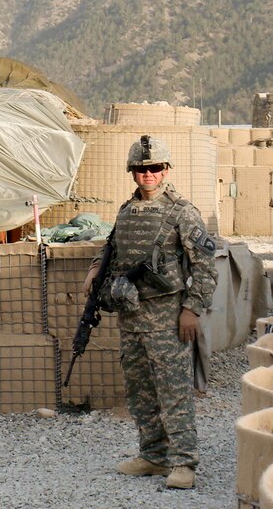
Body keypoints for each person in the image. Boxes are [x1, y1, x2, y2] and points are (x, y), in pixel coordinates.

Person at [83, 135, 217, 490]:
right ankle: (154, 455)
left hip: (168, 317)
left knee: (173, 391)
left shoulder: (182, 213)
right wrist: (96, 267)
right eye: (141, 169)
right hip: (132, 317)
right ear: (132, 172)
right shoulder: (127, 210)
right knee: (140, 390)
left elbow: (205, 267)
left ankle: (184, 462)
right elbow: (112, 246)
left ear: (166, 169)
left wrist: (192, 309)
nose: (148, 174)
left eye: (155, 168)